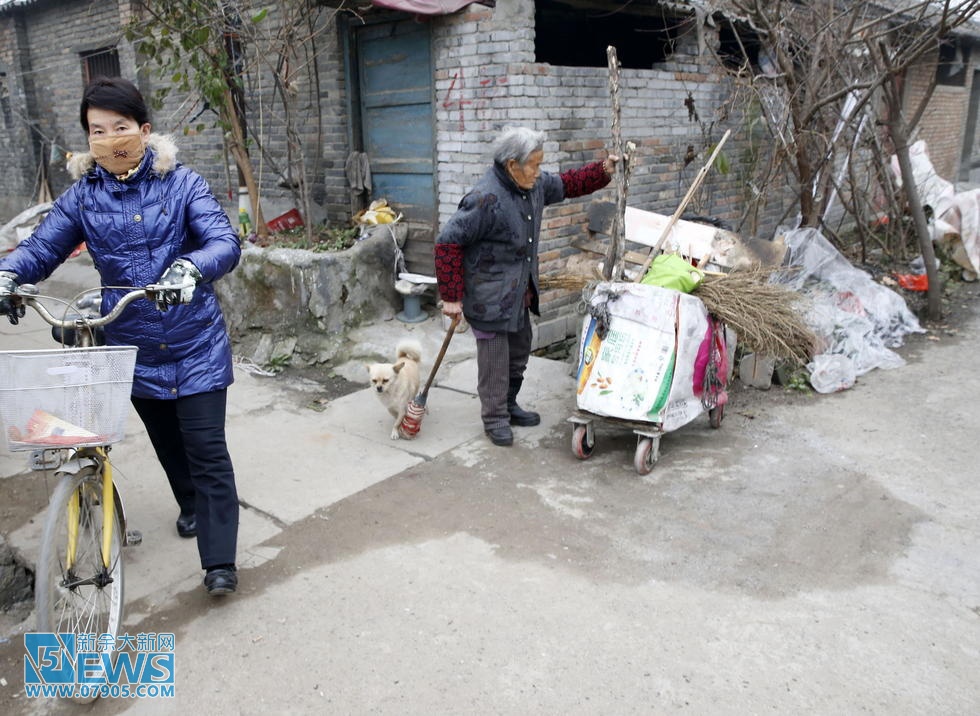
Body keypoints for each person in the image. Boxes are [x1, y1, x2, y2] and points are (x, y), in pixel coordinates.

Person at [0, 77, 242, 596]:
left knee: (207, 450)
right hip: (129, 344)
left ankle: (220, 562)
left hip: (195, 340)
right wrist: (10, 274)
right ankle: (191, 504)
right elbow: (42, 248)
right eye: (97, 130)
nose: (111, 139)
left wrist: (191, 268)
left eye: (121, 127)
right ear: (88, 138)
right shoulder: (83, 197)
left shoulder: (184, 184)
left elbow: (223, 240)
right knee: (167, 441)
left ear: (144, 130)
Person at [435, 126, 619, 447]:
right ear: (512, 165)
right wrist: (451, 297)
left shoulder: (533, 185)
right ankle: (494, 419)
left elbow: (569, 183)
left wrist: (603, 171)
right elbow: (448, 243)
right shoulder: (485, 199)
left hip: (520, 292)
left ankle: (508, 406)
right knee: (494, 361)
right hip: (489, 297)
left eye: (539, 163)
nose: (539, 170)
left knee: (519, 353)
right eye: (533, 164)